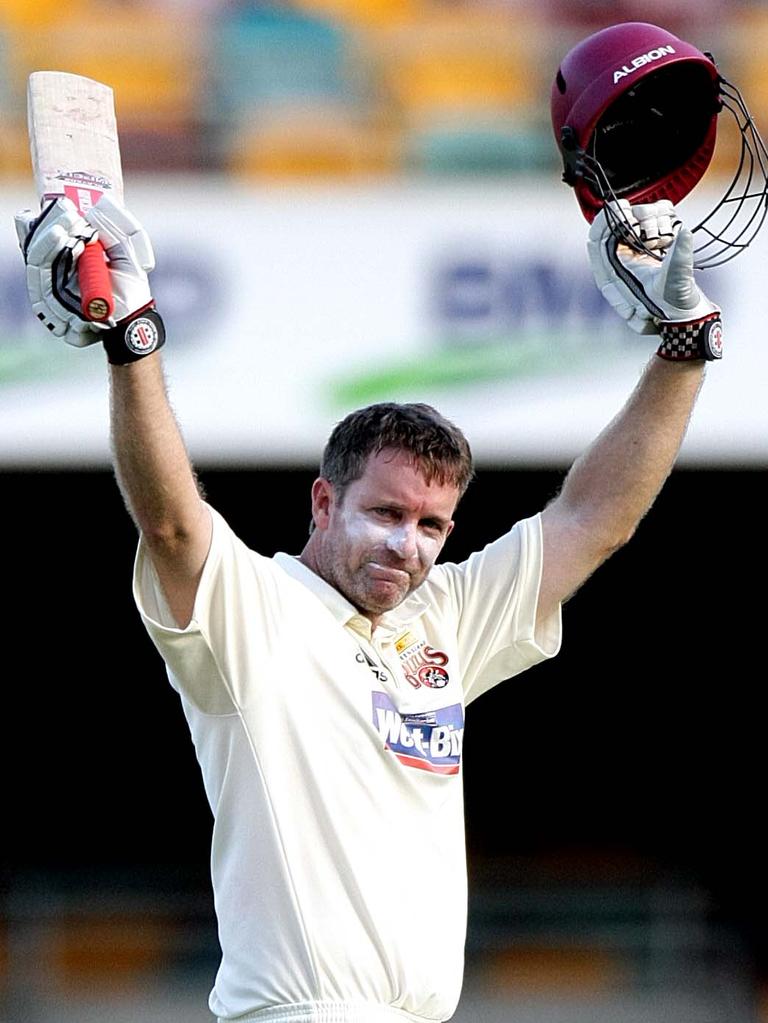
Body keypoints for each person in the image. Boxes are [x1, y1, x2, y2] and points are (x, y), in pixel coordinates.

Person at [15, 192, 721, 1023]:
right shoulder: (256, 607)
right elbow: (171, 524)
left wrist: (685, 350)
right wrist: (133, 342)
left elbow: (593, 519)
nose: (408, 545)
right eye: (384, 514)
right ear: (323, 503)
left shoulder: (448, 617)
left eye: (432, 525)